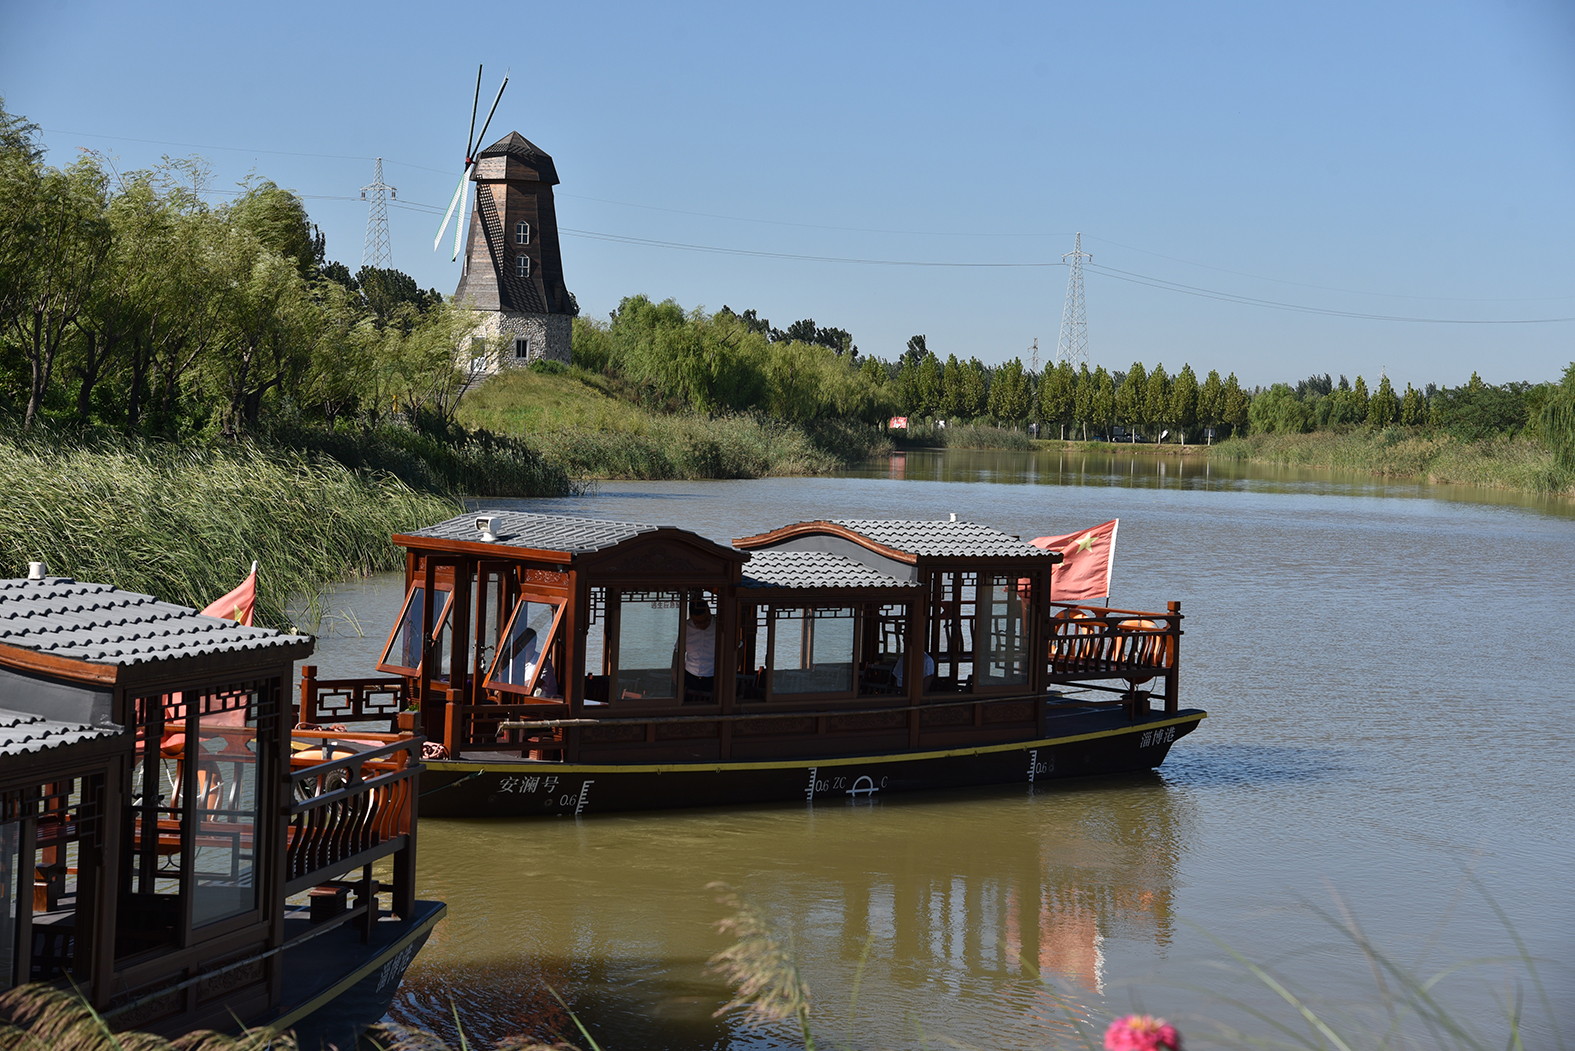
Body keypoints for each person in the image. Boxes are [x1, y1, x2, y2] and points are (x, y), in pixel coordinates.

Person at [507, 627, 559, 697]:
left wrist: (511, 686)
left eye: (521, 647)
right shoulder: (513, 661)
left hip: (542, 703)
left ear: (532, 646)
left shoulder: (544, 662)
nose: (518, 651)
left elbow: (537, 683)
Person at [682, 598, 716, 702]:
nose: (702, 625)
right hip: (690, 674)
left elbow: (738, 646)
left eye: (705, 621)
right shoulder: (686, 626)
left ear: (709, 612)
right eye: (697, 623)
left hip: (713, 674)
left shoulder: (720, 626)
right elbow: (678, 650)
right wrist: (675, 671)